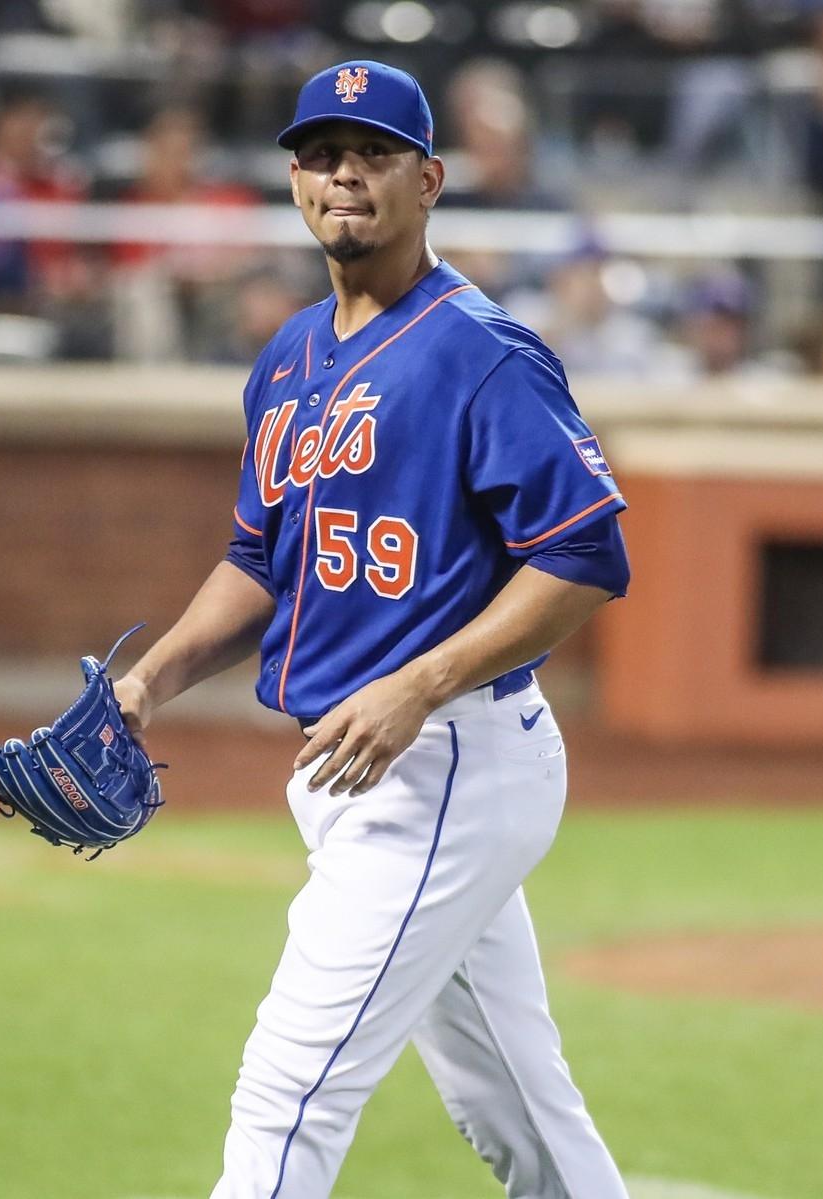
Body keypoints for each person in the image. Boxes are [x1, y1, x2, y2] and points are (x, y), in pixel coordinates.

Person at [109, 59, 632, 1199]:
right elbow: (261, 556)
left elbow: (588, 554)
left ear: (430, 179)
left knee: (287, 1088)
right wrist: (147, 682)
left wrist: (421, 682)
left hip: (444, 762)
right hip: (359, 769)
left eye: (373, 152)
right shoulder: (289, 358)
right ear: (293, 181)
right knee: (519, 1111)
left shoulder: (482, 351)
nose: (343, 172)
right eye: (319, 152)